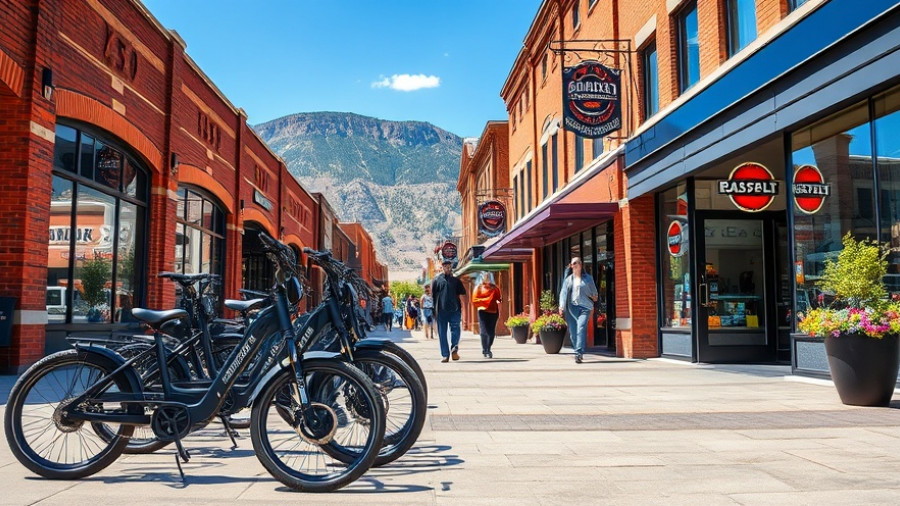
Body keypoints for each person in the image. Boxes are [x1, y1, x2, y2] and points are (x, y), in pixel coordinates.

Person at [559, 257, 599, 364]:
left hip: (585, 307)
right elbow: (563, 293)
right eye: (574, 263)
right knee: (573, 332)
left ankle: (578, 353)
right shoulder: (568, 280)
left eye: (578, 263)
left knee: (581, 328)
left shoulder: (588, 278)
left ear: (581, 265)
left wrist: (593, 296)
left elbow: (595, 293)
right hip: (572, 308)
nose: (576, 264)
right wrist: (561, 306)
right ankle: (577, 349)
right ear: (571, 266)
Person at [431, 259, 467, 362]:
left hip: (455, 310)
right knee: (442, 333)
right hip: (441, 311)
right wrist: (434, 311)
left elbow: (463, 294)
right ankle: (445, 355)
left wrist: (463, 309)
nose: (447, 267)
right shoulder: (437, 280)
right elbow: (433, 297)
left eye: (448, 266)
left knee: (455, 329)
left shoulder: (456, 280)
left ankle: (454, 348)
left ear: (451, 267)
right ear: (442, 267)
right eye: (445, 266)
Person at [471, 272, 502, 358]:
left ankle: (489, 347)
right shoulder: (479, 288)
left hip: (493, 312)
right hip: (482, 311)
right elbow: (475, 299)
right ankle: (485, 349)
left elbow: (499, 300)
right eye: (485, 276)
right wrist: (485, 301)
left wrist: (500, 310)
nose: (486, 278)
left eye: (488, 276)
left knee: (491, 332)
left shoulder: (495, 289)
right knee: (484, 331)